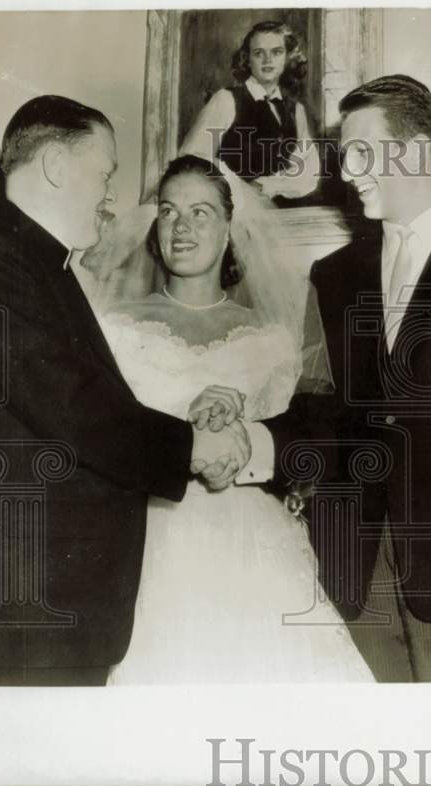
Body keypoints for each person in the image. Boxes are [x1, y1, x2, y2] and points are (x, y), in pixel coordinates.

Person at [0, 96, 248, 686]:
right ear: (58, 168)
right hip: (33, 608)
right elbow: (71, 406)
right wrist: (189, 447)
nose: (112, 196)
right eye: (106, 173)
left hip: (58, 606)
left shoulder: (40, 263)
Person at [241, 75, 431, 682]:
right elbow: (322, 407)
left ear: (421, 150)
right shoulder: (335, 272)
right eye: (344, 155)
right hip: (354, 551)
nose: (348, 172)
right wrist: (248, 441)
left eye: (362, 152)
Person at [100, 155, 372, 684]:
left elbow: (313, 443)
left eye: (201, 213)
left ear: (229, 228)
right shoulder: (115, 326)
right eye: (169, 212)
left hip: (255, 545)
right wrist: (183, 429)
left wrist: (243, 427)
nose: (182, 227)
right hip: (152, 537)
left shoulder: (272, 333)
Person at [179, 20, 318, 201]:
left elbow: (308, 168)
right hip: (234, 207)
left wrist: (268, 186)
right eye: (259, 53)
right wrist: (238, 188)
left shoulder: (296, 110)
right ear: (247, 59)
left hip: (282, 210)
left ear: (287, 57)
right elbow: (194, 160)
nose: (268, 60)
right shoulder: (226, 100)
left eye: (276, 52)